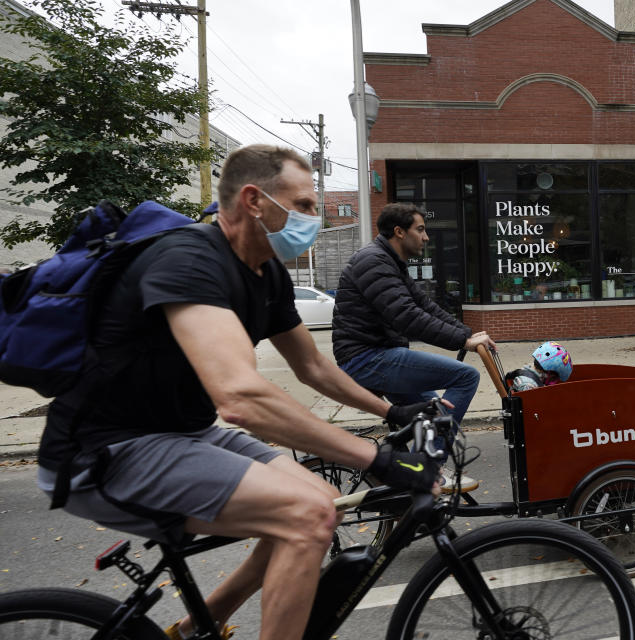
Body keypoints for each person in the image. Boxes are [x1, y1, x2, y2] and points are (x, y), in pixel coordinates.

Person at [35, 145, 438, 640]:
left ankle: (195, 627)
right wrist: (373, 457)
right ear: (254, 200)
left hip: (181, 432)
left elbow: (312, 366)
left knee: (323, 500)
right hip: (105, 450)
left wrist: (393, 410)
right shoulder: (188, 259)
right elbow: (240, 398)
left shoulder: (265, 271)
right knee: (304, 516)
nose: (314, 218)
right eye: (306, 206)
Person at [332, 202, 497, 492]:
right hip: (367, 358)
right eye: (420, 229)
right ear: (399, 231)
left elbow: (425, 306)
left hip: (377, 354)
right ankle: (428, 470)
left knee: (435, 412)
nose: (426, 237)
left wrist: (467, 333)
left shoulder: (389, 263)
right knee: (465, 376)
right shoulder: (374, 262)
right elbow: (407, 317)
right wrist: (463, 342)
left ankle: (410, 485)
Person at [507, 341, 574, 392]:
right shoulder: (529, 386)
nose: (554, 381)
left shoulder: (530, 369)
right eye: (554, 378)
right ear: (549, 373)